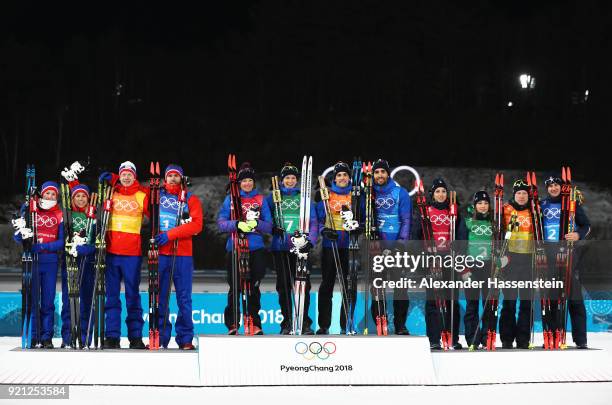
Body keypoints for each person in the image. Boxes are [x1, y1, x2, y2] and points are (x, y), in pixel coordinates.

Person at [217, 162, 272, 335]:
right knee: (235, 287)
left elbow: (270, 226)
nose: (247, 183)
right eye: (244, 181)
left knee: (253, 286)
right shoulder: (230, 199)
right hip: (235, 246)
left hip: (256, 247)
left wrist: (257, 224)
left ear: (253, 182)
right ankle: (233, 323)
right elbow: (221, 223)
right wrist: (237, 224)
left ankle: (254, 322)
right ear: (239, 183)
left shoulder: (261, 199)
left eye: (250, 180)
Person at [98, 161, 149, 349]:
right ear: (119, 175)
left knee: (132, 295)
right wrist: (111, 181)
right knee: (111, 296)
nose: (126, 177)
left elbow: (154, 210)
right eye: (123, 174)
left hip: (132, 254)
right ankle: (112, 336)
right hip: (111, 253)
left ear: (134, 176)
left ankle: (135, 336)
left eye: (130, 174)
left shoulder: (141, 195)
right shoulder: (111, 192)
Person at [153, 164, 203, 350]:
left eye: (176, 176)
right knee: (161, 297)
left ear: (181, 178)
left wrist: (170, 234)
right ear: (165, 179)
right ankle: (161, 336)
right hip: (162, 254)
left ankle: (185, 338)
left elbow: (196, 226)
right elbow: (136, 196)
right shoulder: (157, 196)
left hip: (183, 254)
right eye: (170, 175)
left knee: (184, 298)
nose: (173, 178)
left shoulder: (190, 199)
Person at [265, 162, 317, 335]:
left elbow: (314, 222)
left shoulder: (304, 198)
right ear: (282, 180)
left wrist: (311, 241)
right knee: (284, 286)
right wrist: (272, 228)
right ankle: (287, 321)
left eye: (293, 178)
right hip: (280, 248)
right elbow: (265, 220)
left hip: (300, 247)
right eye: (287, 178)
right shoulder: (273, 197)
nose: (290, 181)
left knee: (304, 285)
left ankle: (304, 322)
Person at [412, 178, 463, 350]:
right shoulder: (426, 211)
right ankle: (434, 339)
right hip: (432, 259)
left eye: (443, 191)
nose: (441, 194)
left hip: (450, 259)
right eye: (437, 192)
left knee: (452, 299)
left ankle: (452, 337)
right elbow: (417, 235)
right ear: (432, 194)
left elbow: (460, 234)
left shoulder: (453, 211)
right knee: (433, 300)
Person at [541, 174, 591, 349]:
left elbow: (586, 225)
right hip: (549, 256)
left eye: (556, 185)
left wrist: (577, 234)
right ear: (547, 188)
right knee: (551, 297)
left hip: (569, 254)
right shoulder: (542, 205)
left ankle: (580, 338)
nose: (553, 188)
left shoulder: (571, 204)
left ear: (562, 187)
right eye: (550, 185)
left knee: (575, 296)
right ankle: (552, 335)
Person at [13, 181, 64, 349]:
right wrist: (22, 233)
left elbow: (62, 242)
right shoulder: (31, 210)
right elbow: (18, 237)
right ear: (42, 194)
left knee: (48, 301)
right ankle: (34, 336)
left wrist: (43, 246)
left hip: (50, 262)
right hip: (32, 261)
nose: (50, 196)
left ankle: (47, 337)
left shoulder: (59, 214)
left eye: (53, 194)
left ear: (57, 197)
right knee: (33, 300)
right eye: (47, 193)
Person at [369, 159, 412, 335]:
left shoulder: (400, 193)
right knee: (377, 286)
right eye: (376, 172)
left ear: (388, 174)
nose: (380, 175)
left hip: (396, 247)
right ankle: (381, 321)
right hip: (375, 247)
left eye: (382, 172)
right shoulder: (369, 194)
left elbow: (406, 219)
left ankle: (400, 325)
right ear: (373, 175)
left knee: (400, 287)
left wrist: (401, 243)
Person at [316, 161, 353, 335]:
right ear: (335, 178)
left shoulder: (355, 194)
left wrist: (358, 226)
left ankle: (346, 324)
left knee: (348, 285)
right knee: (327, 285)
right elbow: (318, 219)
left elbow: (363, 215)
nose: (342, 177)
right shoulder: (327, 195)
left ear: (349, 177)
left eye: (345, 174)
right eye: (339, 175)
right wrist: (325, 231)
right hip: (330, 244)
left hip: (349, 245)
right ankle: (324, 325)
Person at [499, 179, 535, 349]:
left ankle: (523, 338)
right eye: (518, 193)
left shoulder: (534, 211)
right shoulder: (506, 210)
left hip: (528, 261)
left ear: (529, 195)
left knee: (526, 302)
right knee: (509, 301)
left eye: (524, 193)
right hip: (511, 261)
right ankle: (507, 338)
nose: (521, 196)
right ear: (514, 194)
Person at [60, 182, 96, 348]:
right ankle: (68, 337)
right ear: (72, 199)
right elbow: (61, 238)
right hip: (70, 261)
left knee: (87, 301)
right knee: (69, 301)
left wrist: (89, 249)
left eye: (83, 196)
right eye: (77, 196)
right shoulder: (67, 215)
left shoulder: (94, 216)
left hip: (88, 263)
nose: (81, 199)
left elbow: (98, 240)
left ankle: (84, 336)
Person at [460, 190, 493, 349]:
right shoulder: (467, 221)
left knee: (488, 304)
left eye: (486, 203)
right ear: (474, 205)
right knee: (472, 304)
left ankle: (487, 337)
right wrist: (463, 269)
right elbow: (459, 247)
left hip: (489, 268)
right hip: (471, 267)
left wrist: (501, 262)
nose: (483, 206)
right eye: (479, 203)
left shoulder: (494, 221)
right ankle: (472, 337)